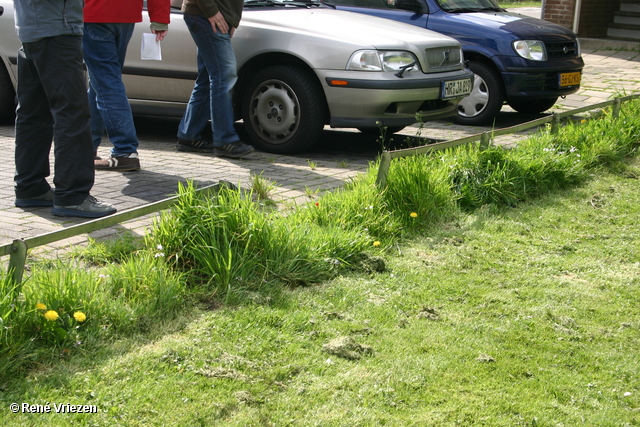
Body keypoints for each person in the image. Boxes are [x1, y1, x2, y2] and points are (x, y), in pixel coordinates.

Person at [12, 0, 117, 218]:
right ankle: (72, 196)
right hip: (57, 28)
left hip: (32, 29)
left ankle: (30, 187)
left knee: (33, 114)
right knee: (72, 114)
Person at [84, 0, 170, 171]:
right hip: (126, 14)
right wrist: (159, 18)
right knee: (101, 82)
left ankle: (124, 151)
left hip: (94, 12)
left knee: (106, 83)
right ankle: (85, 148)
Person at [176, 0, 254, 158]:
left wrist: (231, 19)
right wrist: (212, 12)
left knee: (207, 78)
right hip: (205, 15)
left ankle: (189, 135)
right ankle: (225, 140)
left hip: (212, 15)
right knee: (224, 75)